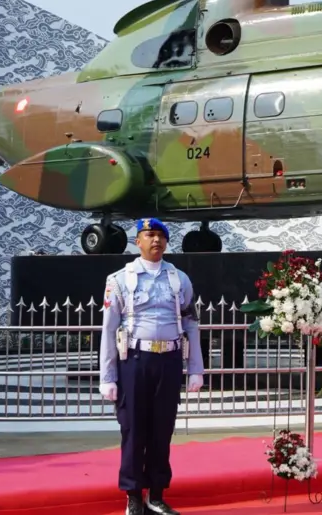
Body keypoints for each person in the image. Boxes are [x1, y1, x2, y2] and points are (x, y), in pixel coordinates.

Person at [99, 218, 205, 515]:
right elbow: (109, 329)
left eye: (160, 235)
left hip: (169, 360)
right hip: (134, 361)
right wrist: (107, 376)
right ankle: (133, 495)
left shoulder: (179, 279)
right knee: (133, 429)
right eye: (149, 235)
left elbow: (191, 325)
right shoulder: (119, 280)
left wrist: (196, 368)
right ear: (138, 241)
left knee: (162, 429)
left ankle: (156, 494)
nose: (155, 240)